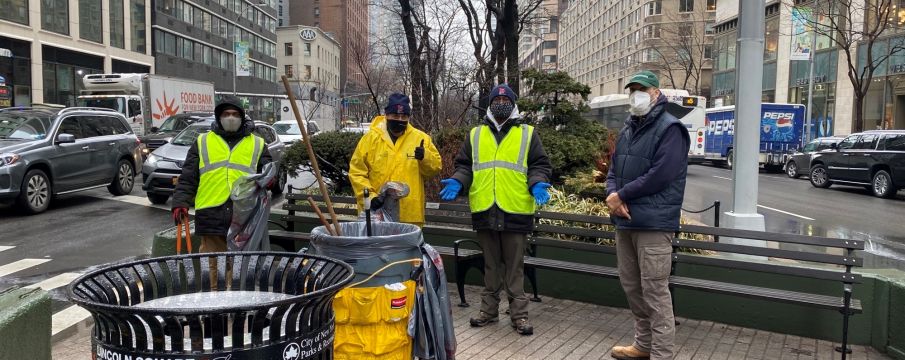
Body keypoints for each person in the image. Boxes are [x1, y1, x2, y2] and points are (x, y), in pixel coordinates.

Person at [440, 84, 552, 336]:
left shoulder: (527, 133)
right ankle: (488, 312)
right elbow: (465, 165)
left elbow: (540, 165)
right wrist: (459, 180)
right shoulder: (476, 134)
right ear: (489, 103)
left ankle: (519, 316)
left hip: (515, 209)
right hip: (485, 210)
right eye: (496, 98)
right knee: (490, 266)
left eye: (506, 98)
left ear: (513, 103)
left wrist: (536, 184)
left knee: (514, 267)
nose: (501, 102)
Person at [605, 70, 690, 360]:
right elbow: (613, 169)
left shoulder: (671, 128)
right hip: (626, 221)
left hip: (654, 224)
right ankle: (643, 344)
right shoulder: (629, 127)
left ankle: (661, 354)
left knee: (655, 291)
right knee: (632, 286)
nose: (636, 94)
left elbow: (661, 175)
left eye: (642, 89)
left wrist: (622, 196)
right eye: (633, 89)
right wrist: (611, 194)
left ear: (656, 93)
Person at [171, 95, 272, 253]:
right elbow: (188, 177)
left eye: (235, 114)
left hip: (244, 217)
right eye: (226, 114)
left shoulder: (258, 144)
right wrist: (180, 202)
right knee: (212, 266)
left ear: (242, 117)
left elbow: (268, 171)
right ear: (219, 117)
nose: (231, 118)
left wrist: (270, 179)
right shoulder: (202, 141)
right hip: (211, 215)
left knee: (239, 268)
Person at [349, 93, 442, 226]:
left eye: (403, 116)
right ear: (386, 115)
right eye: (395, 116)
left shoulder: (421, 139)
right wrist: (370, 197)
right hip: (376, 213)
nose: (399, 119)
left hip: (409, 215)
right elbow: (356, 172)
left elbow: (435, 169)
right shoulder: (370, 139)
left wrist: (425, 157)